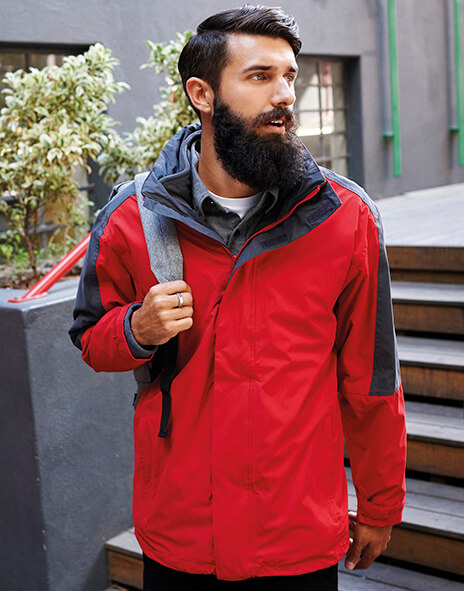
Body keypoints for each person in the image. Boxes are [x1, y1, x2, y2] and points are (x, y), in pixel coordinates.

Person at [69, 5, 407, 590]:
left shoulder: (344, 216)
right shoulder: (132, 215)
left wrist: (380, 503)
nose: (284, 95)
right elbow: (91, 340)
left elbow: (372, 379)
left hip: (295, 535)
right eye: (260, 76)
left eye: (289, 76)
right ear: (202, 94)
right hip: (181, 532)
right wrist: (137, 329)